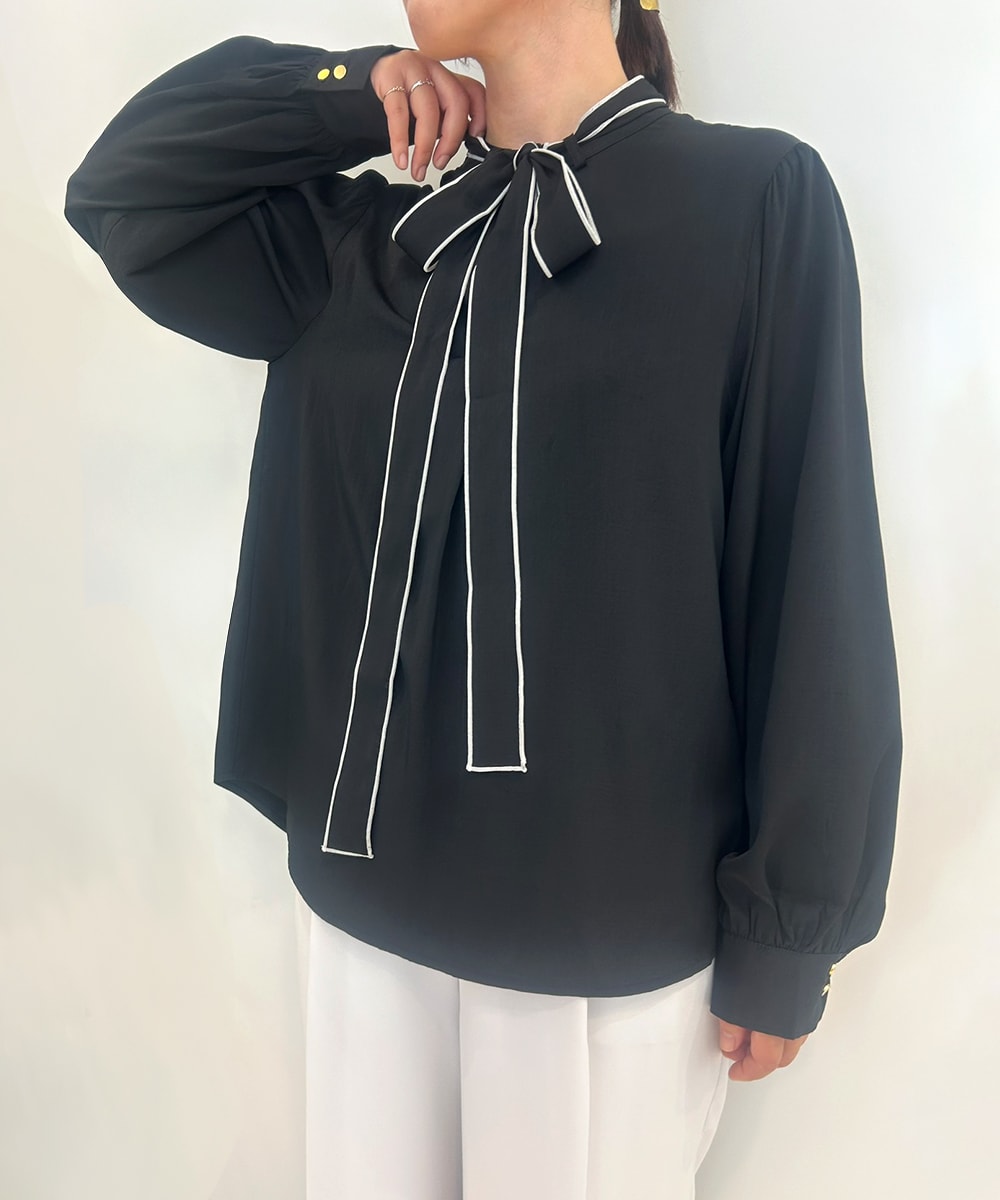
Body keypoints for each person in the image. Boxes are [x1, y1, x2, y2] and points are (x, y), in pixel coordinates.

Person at [64, 1, 903, 1196]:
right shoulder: (368, 236)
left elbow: (810, 565)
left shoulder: (752, 198)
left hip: (604, 938)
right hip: (359, 910)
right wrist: (353, 92)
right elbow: (124, 190)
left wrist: (790, 927)